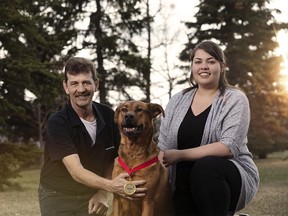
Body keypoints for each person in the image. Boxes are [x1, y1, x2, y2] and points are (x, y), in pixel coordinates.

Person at [157, 41, 259, 216]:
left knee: (206, 166)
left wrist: (181, 155)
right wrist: (161, 186)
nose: (203, 66)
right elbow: (164, 148)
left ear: (222, 66)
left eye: (210, 61)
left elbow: (228, 147)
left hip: (227, 176)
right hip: (182, 181)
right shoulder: (177, 100)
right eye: (198, 62)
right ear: (192, 66)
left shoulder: (235, 99)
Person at [38, 57, 146, 216]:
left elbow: (113, 159)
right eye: (74, 83)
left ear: (96, 84)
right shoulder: (58, 122)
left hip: (91, 195)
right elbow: (76, 171)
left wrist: (102, 193)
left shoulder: (110, 115)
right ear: (66, 87)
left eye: (86, 82)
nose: (81, 89)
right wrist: (110, 186)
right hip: (57, 195)